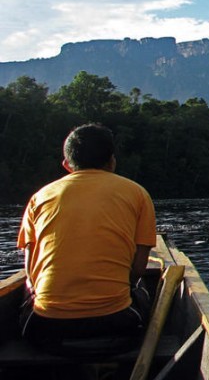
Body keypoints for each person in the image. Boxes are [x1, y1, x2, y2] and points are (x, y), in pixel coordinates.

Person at [17, 123, 157, 353]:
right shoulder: (138, 194)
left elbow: (31, 271)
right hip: (117, 327)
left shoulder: (39, 197)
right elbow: (138, 268)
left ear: (66, 165)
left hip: (46, 331)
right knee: (141, 289)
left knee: (30, 295)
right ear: (112, 161)